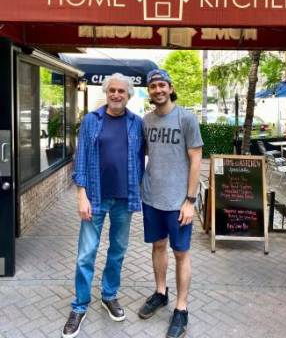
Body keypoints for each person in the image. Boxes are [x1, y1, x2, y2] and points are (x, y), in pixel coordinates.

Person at [62, 73, 144, 338]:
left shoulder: (137, 124)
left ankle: (109, 295)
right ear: (106, 93)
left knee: (117, 251)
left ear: (128, 95)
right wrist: (81, 195)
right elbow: (81, 159)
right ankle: (79, 306)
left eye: (121, 91)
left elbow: (145, 157)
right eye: (112, 90)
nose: (116, 95)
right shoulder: (91, 120)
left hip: (124, 198)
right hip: (95, 198)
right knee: (86, 254)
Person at [138, 69, 203, 338]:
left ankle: (181, 308)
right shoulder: (146, 121)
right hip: (152, 197)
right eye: (152, 86)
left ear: (170, 87)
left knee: (181, 253)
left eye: (161, 85)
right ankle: (161, 292)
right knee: (158, 246)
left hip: (178, 202)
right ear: (149, 91)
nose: (157, 90)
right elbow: (141, 154)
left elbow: (196, 159)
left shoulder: (186, 118)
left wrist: (190, 201)